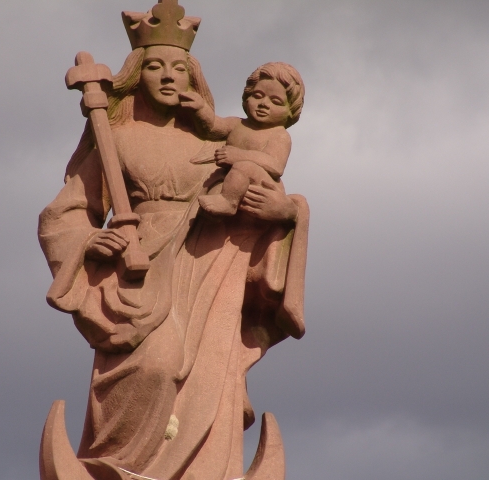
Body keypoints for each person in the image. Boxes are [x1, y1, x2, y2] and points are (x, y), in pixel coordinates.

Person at [38, 1, 309, 478]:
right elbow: (67, 212)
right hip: (140, 273)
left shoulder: (221, 143)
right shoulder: (116, 137)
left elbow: (267, 194)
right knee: (155, 365)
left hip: (212, 265)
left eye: (179, 68)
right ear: (135, 74)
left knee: (212, 380)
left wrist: (290, 214)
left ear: (193, 77)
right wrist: (89, 244)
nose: (168, 77)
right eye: (155, 67)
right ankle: (118, 466)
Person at [179, 62, 305, 216]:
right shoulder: (237, 124)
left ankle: (228, 202)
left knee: (244, 166)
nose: (264, 104)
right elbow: (212, 127)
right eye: (257, 96)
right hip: (230, 180)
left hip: (261, 184)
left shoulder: (279, 135)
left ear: (290, 111)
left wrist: (239, 156)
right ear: (247, 98)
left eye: (275, 102)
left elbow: (275, 166)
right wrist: (201, 109)